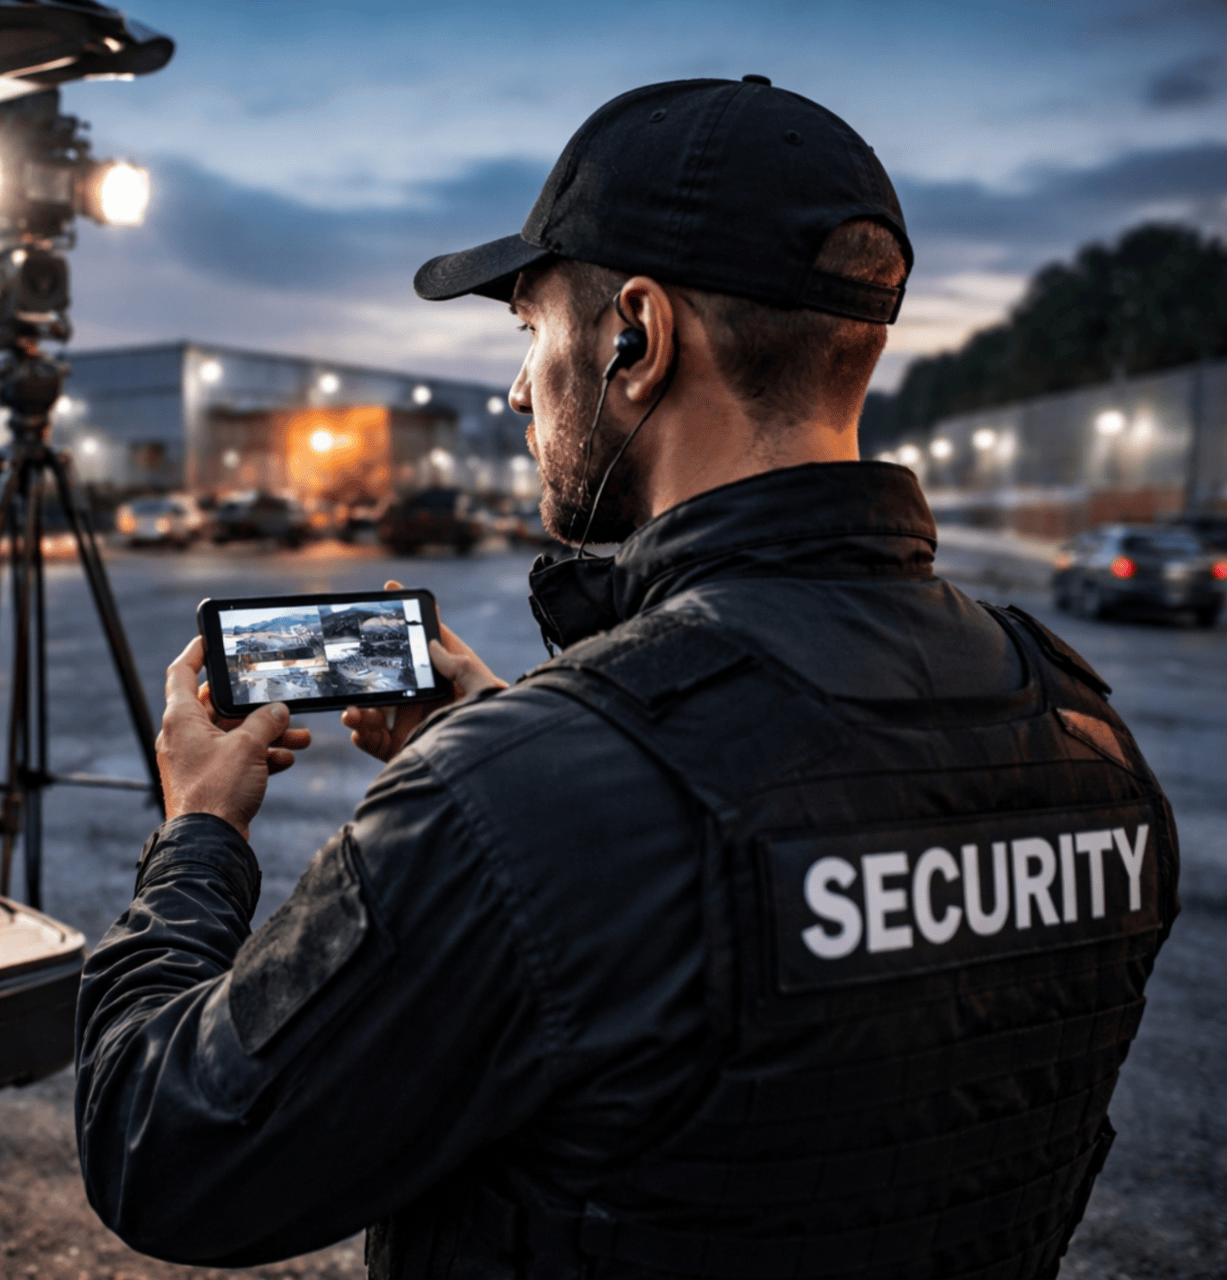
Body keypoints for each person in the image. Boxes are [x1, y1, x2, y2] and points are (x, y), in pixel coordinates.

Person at [75, 76, 1179, 1280]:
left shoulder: (519, 798)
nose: (514, 390)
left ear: (634, 339)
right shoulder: (1079, 730)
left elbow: (165, 1148)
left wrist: (199, 831)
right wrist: (521, 744)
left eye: (528, 332)